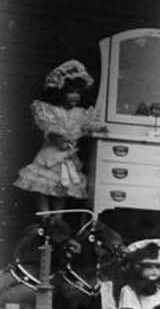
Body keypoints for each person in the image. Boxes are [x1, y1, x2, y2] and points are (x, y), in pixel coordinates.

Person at [16, 59, 106, 215]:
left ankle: (58, 219)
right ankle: (44, 217)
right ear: (60, 92)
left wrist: (95, 129)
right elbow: (49, 129)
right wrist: (59, 139)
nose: (75, 96)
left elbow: (90, 126)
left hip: (68, 159)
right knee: (42, 187)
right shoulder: (50, 110)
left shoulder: (80, 113)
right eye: (71, 92)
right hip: (50, 156)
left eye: (78, 92)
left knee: (62, 188)